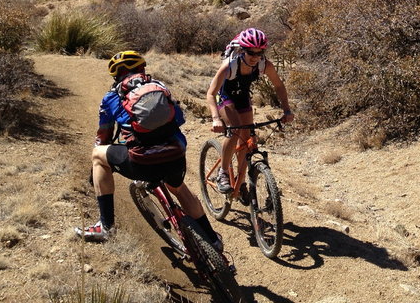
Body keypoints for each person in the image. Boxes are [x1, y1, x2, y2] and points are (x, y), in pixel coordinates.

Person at [75, 50, 221, 247]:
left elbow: (103, 137)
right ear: (142, 68)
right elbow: (179, 119)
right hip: (175, 155)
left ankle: (105, 226)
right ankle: (213, 239)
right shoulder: (160, 87)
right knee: (180, 189)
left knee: (98, 155)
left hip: (141, 162)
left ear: (116, 75)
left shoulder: (111, 98)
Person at [206, 28, 293, 194]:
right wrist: (216, 118)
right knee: (236, 129)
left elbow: (279, 86)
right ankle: (223, 173)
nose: (255, 57)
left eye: (260, 53)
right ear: (241, 50)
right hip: (224, 96)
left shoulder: (264, 65)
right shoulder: (229, 66)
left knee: (247, 140)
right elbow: (211, 93)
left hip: (242, 96)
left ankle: (241, 180)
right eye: (251, 53)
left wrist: (287, 110)